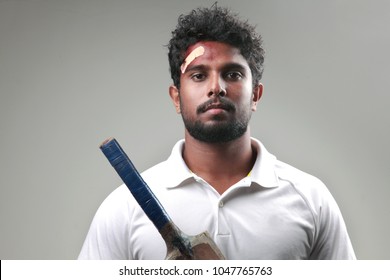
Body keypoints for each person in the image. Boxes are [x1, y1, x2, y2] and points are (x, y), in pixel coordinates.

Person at [78, 5, 356, 260]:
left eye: (233, 74)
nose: (216, 88)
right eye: (198, 75)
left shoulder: (311, 199)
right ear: (176, 97)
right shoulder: (124, 209)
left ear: (256, 95)